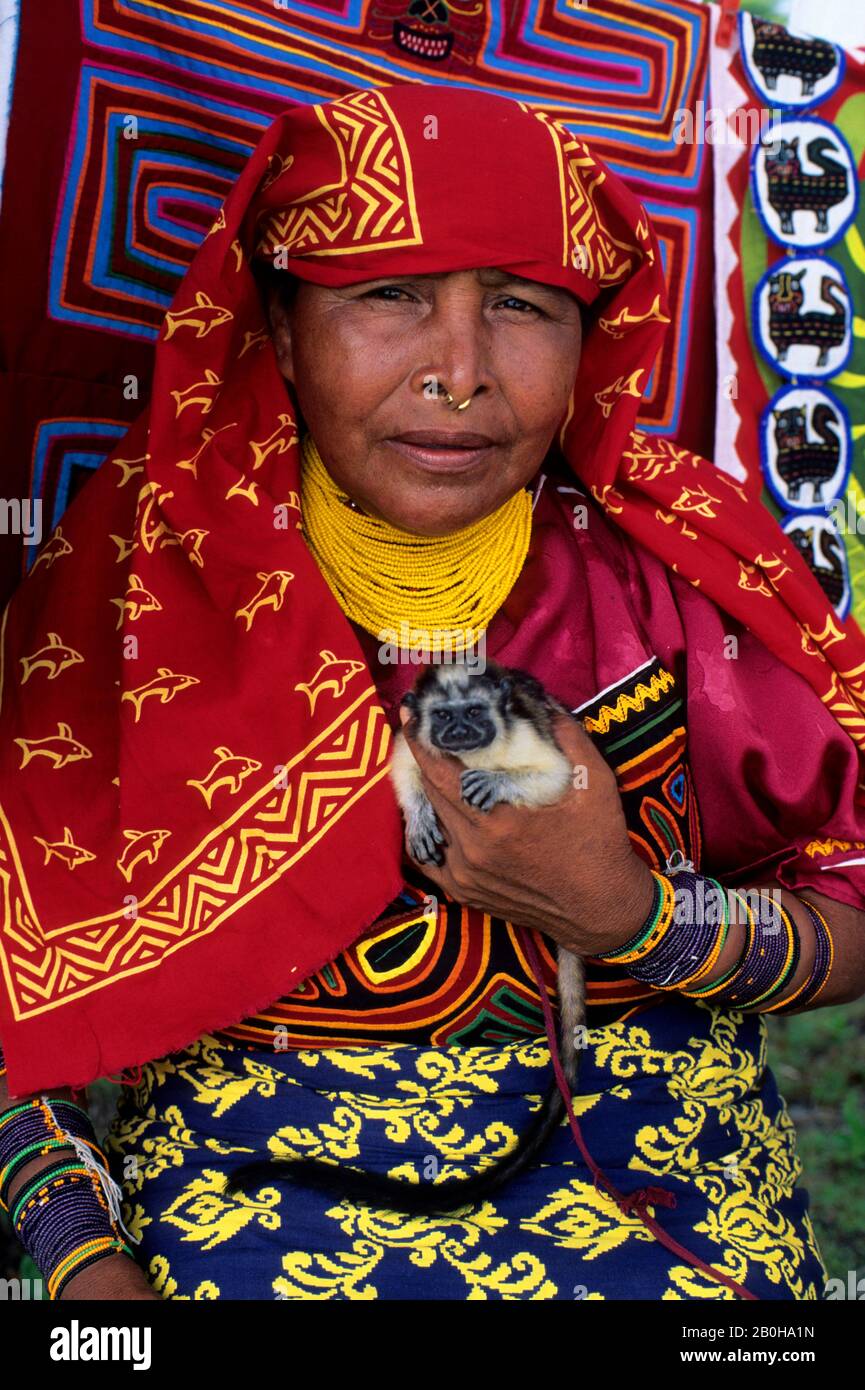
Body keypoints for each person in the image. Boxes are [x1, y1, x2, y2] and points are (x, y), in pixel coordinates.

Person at [1, 84, 865, 1302]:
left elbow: (851, 878)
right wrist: (86, 1271)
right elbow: (16, 996)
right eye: (387, 295)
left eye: (521, 305)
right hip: (254, 1222)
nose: (458, 373)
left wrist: (632, 916)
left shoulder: (669, 566)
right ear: (284, 328)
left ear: (591, 334)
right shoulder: (145, 573)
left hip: (671, 1210)